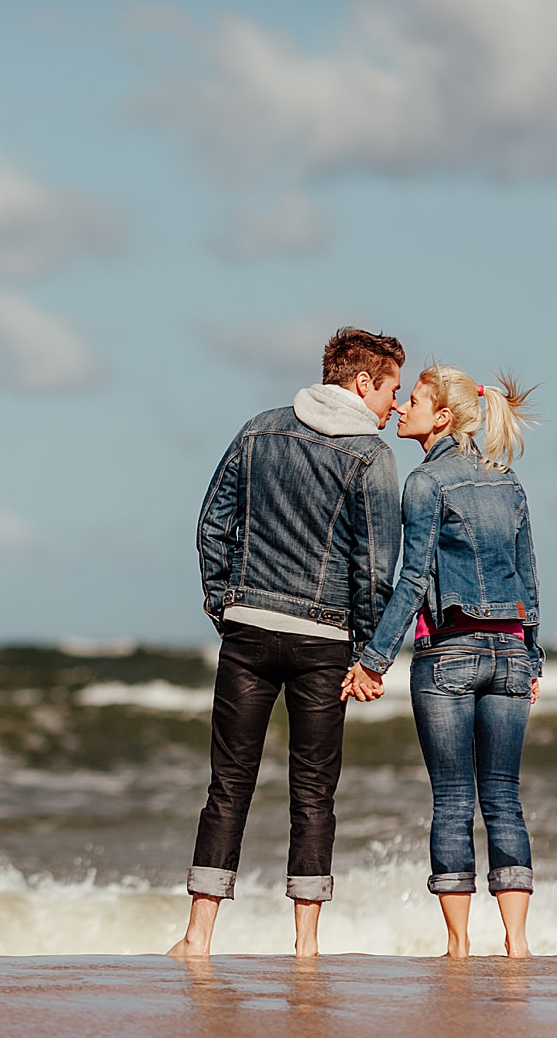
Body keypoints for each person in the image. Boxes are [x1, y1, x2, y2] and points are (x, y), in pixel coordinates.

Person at [168, 328, 404, 960]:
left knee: (229, 782)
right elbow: (376, 565)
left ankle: (197, 937)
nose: (393, 406)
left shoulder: (258, 429)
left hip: (248, 628)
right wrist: (368, 652)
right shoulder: (372, 455)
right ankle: (304, 947)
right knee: (313, 789)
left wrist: (225, 602)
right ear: (361, 383)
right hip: (324, 642)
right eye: (390, 390)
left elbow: (212, 521)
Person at [343, 364, 540, 959]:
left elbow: (412, 579)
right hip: (509, 651)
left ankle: (458, 947)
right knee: (503, 797)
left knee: (454, 800)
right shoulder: (509, 481)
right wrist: (532, 659)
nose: (403, 407)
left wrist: (372, 659)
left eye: (417, 401)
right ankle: (518, 943)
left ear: (443, 418)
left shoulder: (426, 484)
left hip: (448, 654)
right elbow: (529, 580)